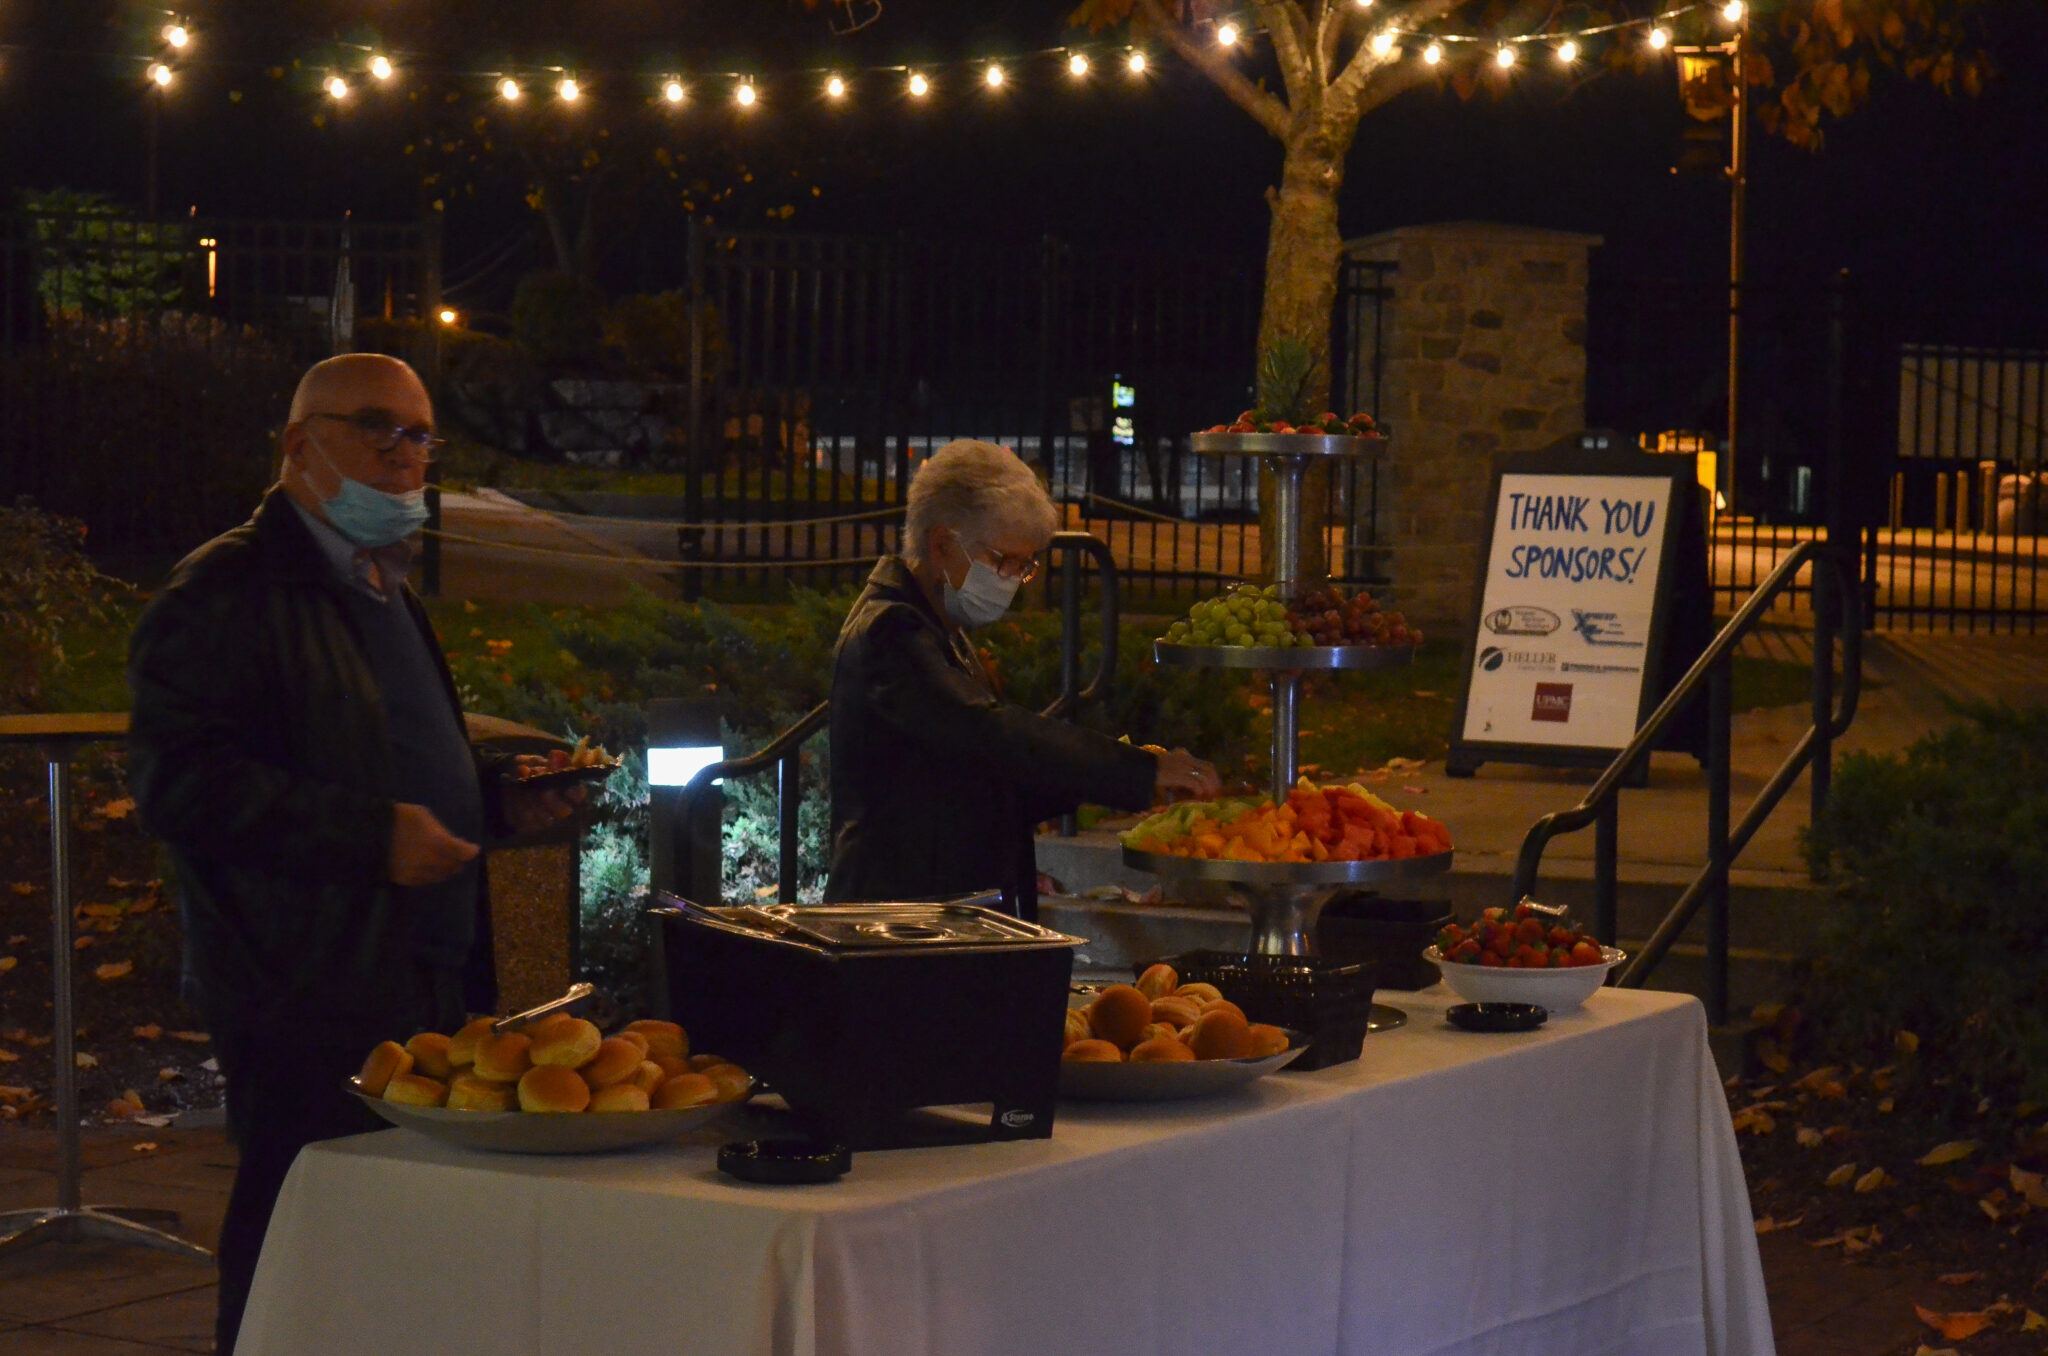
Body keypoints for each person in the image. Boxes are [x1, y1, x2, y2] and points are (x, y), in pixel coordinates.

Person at [126, 353, 581, 1354]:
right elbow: (180, 782)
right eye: (376, 427)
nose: (404, 454)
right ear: (298, 444)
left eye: (420, 434)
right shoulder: (227, 591)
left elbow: (389, 754)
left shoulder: (379, 586)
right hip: (302, 972)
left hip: (419, 963)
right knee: (297, 1215)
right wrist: (370, 839)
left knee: (397, 1229)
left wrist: (501, 804)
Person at [827, 439, 1219, 919]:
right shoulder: (892, 632)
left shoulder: (940, 627)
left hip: (934, 910)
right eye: (1002, 561)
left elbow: (994, 776)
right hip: (901, 916)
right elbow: (988, 733)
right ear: (942, 544)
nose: (1012, 579)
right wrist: (1135, 770)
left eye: (1024, 566)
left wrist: (1126, 781)